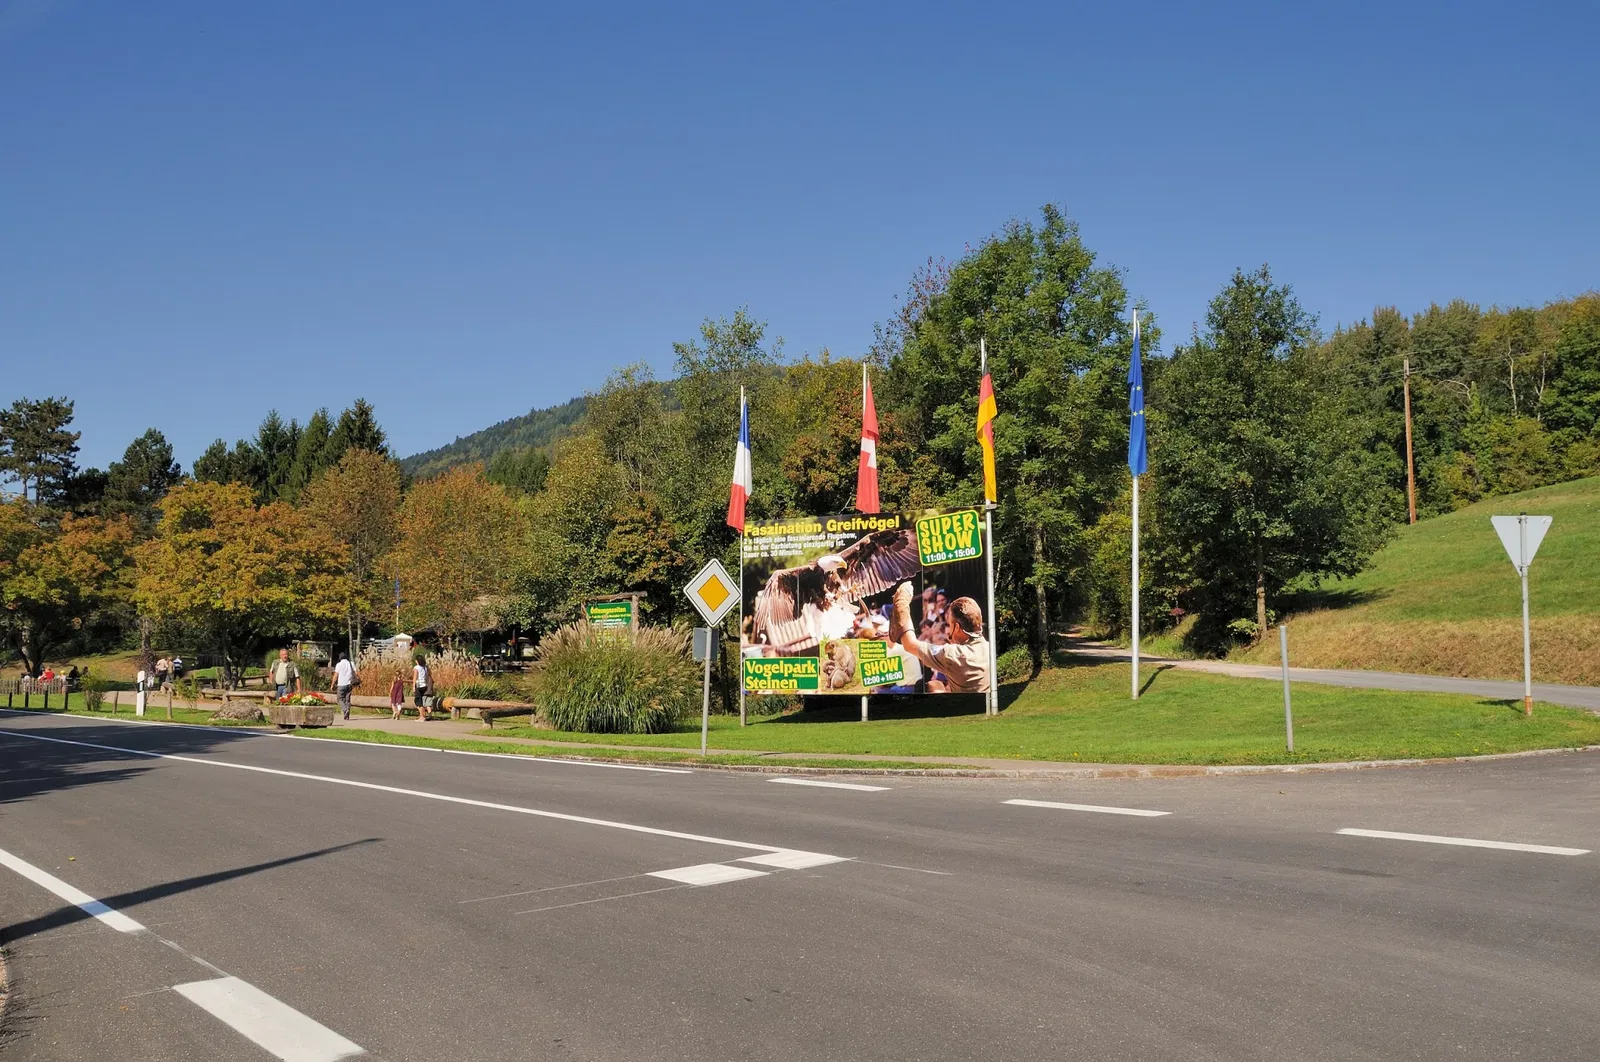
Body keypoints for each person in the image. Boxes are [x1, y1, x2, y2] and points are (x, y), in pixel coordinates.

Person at [889, 583, 992, 694]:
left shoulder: (952, 654)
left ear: (957, 627)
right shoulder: (989, 648)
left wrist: (901, 603)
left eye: (950, 624)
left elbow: (910, 644)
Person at [332, 651, 357, 721]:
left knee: (339, 699)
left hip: (341, 684)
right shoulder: (351, 663)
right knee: (347, 700)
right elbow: (356, 672)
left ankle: (345, 710)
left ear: (340, 658)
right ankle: (347, 715)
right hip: (349, 684)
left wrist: (332, 684)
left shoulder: (339, 664)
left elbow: (336, 676)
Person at [411, 656, 431, 722]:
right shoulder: (425, 667)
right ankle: (423, 715)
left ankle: (422, 717)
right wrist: (427, 683)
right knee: (421, 701)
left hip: (419, 685)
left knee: (418, 702)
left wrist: (413, 686)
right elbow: (428, 676)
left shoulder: (416, 668)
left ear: (417, 661)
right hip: (424, 685)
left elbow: (415, 677)